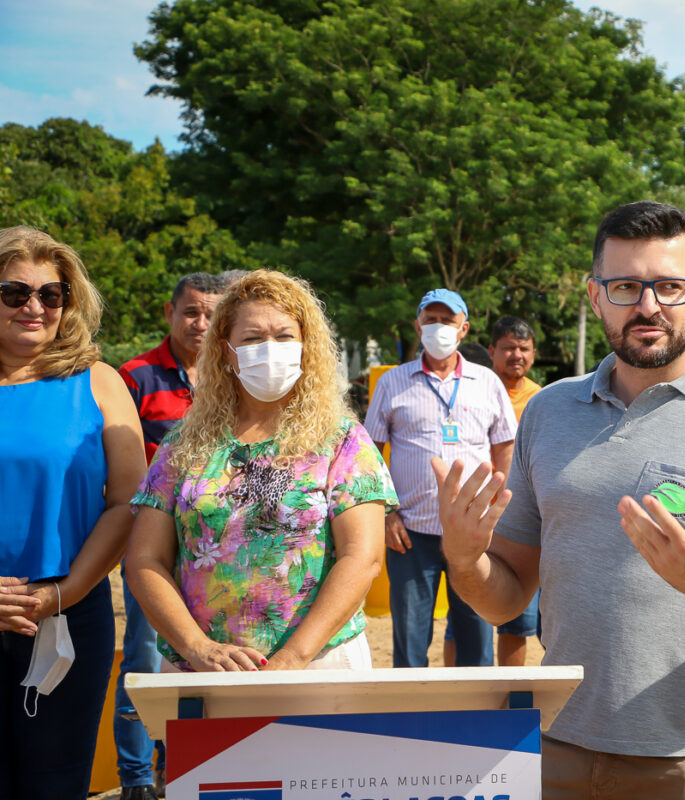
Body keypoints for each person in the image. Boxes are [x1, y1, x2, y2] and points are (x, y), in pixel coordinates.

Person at [435, 201, 685, 799]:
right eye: (626, 286)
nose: (648, 306)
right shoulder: (549, 411)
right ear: (596, 297)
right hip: (555, 750)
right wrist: (465, 558)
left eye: (669, 287)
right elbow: (505, 600)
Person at [126, 270, 396, 672]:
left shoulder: (342, 439)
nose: (270, 349)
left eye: (284, 336)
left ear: (306, 346)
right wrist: (197, 647)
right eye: (252, 338)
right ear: (226, 350)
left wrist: (293, 656)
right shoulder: (184, 442)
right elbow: (144, 559)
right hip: (202, 670)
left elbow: (364, 556)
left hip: (318, 663)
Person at [0, 226, 146, 799]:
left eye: (51, 294)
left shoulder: (100, 382)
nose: (34, 306)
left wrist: (63, 593)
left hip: (67, 614)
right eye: (14, 292)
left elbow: (130, 501)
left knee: (56, 786)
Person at [115, 272, 230, 800]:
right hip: (155, 549)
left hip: (217, 551)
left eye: (211, 314)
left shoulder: (230, 373)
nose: (200, 323)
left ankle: (180, 769)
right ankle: (138, 779)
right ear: (170, 311)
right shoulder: (135, 377)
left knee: (201, 660)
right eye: (191, 312)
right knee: (143, 661)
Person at [364, 288, 516, 667]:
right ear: (418, 327)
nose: (438, 328)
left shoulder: (487, 382)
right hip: (412, 534)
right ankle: (409, 718)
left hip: (472, 530)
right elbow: (368, 454)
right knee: (411, 641)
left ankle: (476, 718)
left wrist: (499, 508)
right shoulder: (393, 382)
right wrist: (386, 513)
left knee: (476, 636)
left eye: (446, 321)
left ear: (463, 329)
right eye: (430, 320)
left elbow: (505, 448)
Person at [444, 315, 543, 667]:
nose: (516, 355)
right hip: (475, 513)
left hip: (519, 513)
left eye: (524, 349)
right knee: (462, 619)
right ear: (492, 351)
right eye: (509, 348)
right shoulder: (473, 388)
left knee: (517, 620)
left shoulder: (542, 400)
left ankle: (509, 702)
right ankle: (459, 693)